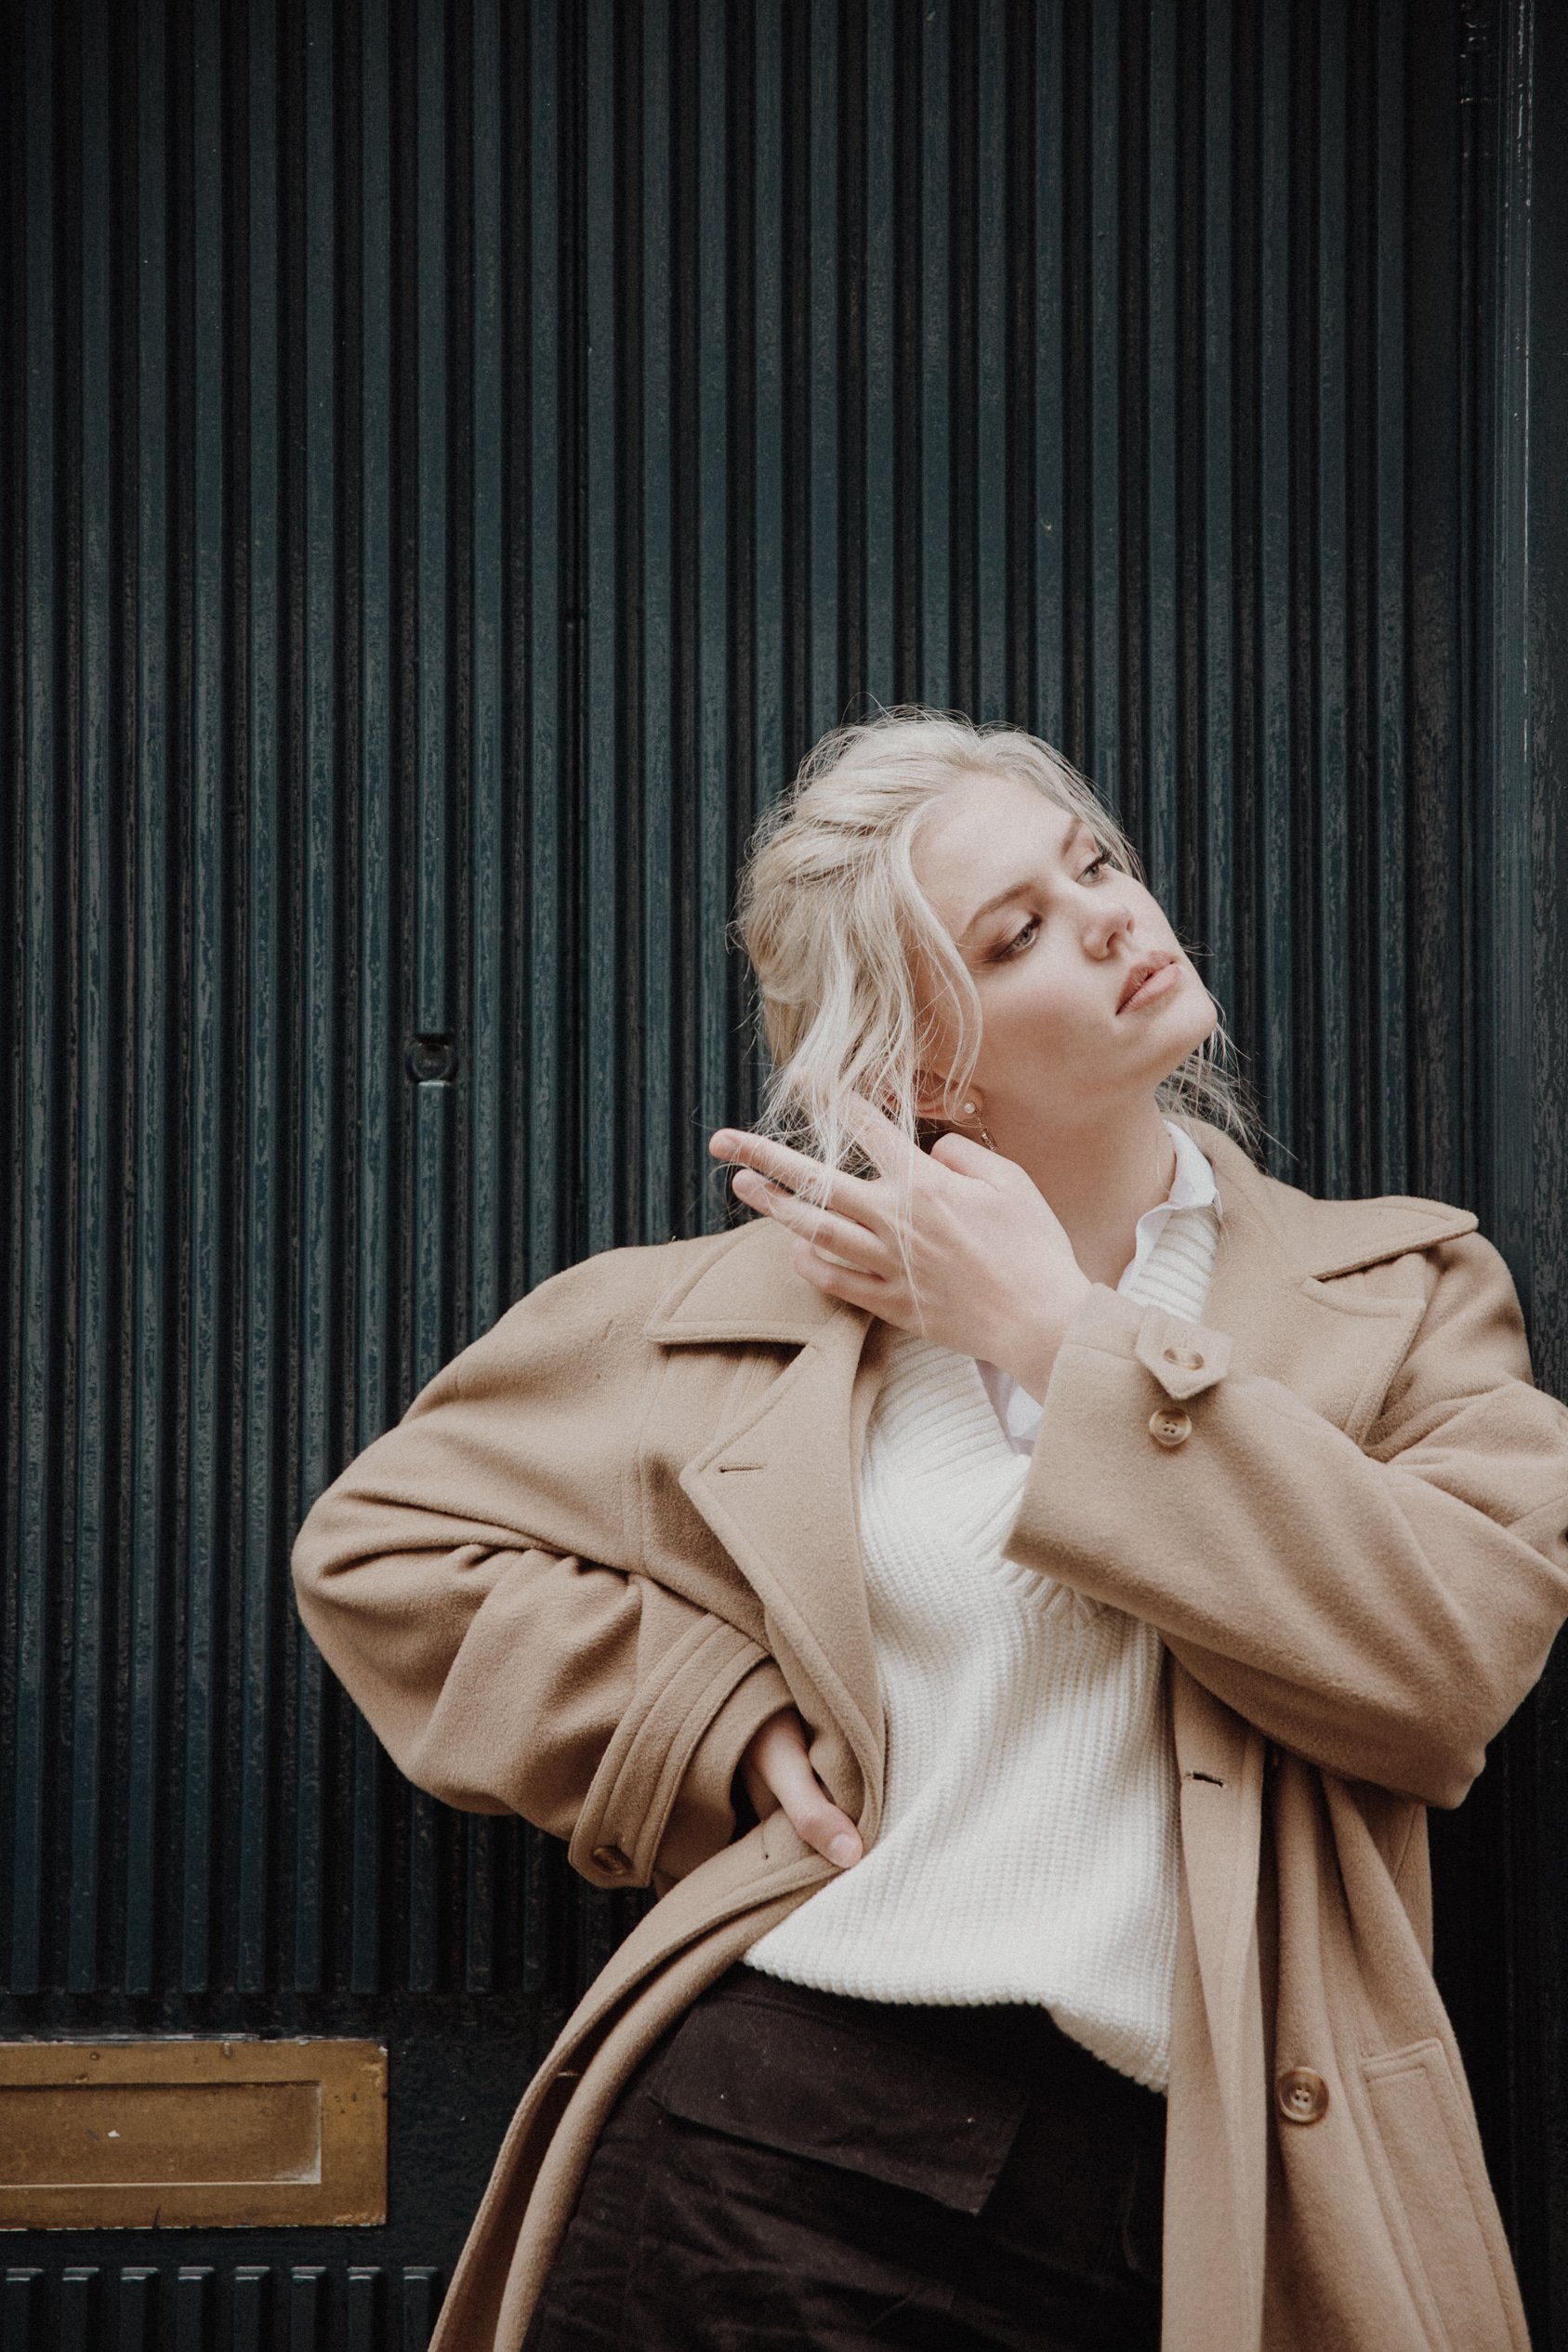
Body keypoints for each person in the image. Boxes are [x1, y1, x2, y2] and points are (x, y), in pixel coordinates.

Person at [292, 709, 1568, 2352]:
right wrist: (707, 1721)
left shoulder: (1398, 1297)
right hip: (774, 2163)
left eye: (1095, 862)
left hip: (1210, 2211)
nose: (1113, 914)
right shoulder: (736, 1312)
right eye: (1017, 930)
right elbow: (383, 1545)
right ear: (921, 1069)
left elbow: (1447, 1663)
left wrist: (1061, 1340)